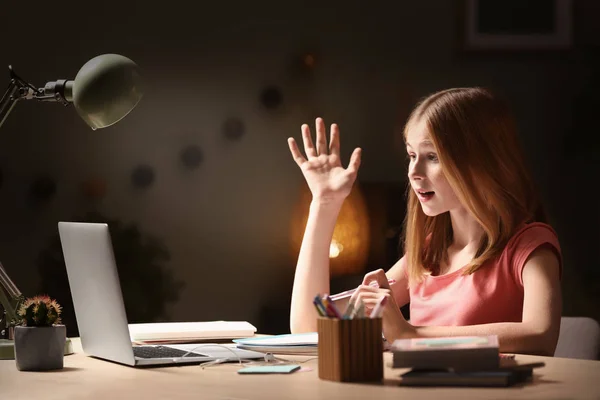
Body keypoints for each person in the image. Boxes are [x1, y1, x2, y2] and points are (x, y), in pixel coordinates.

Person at [287, 87, 562, 356]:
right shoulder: (428, 254)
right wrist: (324, 204)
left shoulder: (529, 246)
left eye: (433, 157)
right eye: (411, 155)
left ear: (482, 162)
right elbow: (310, 327)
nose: (414, 172)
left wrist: (410, 335)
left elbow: (540, 335)